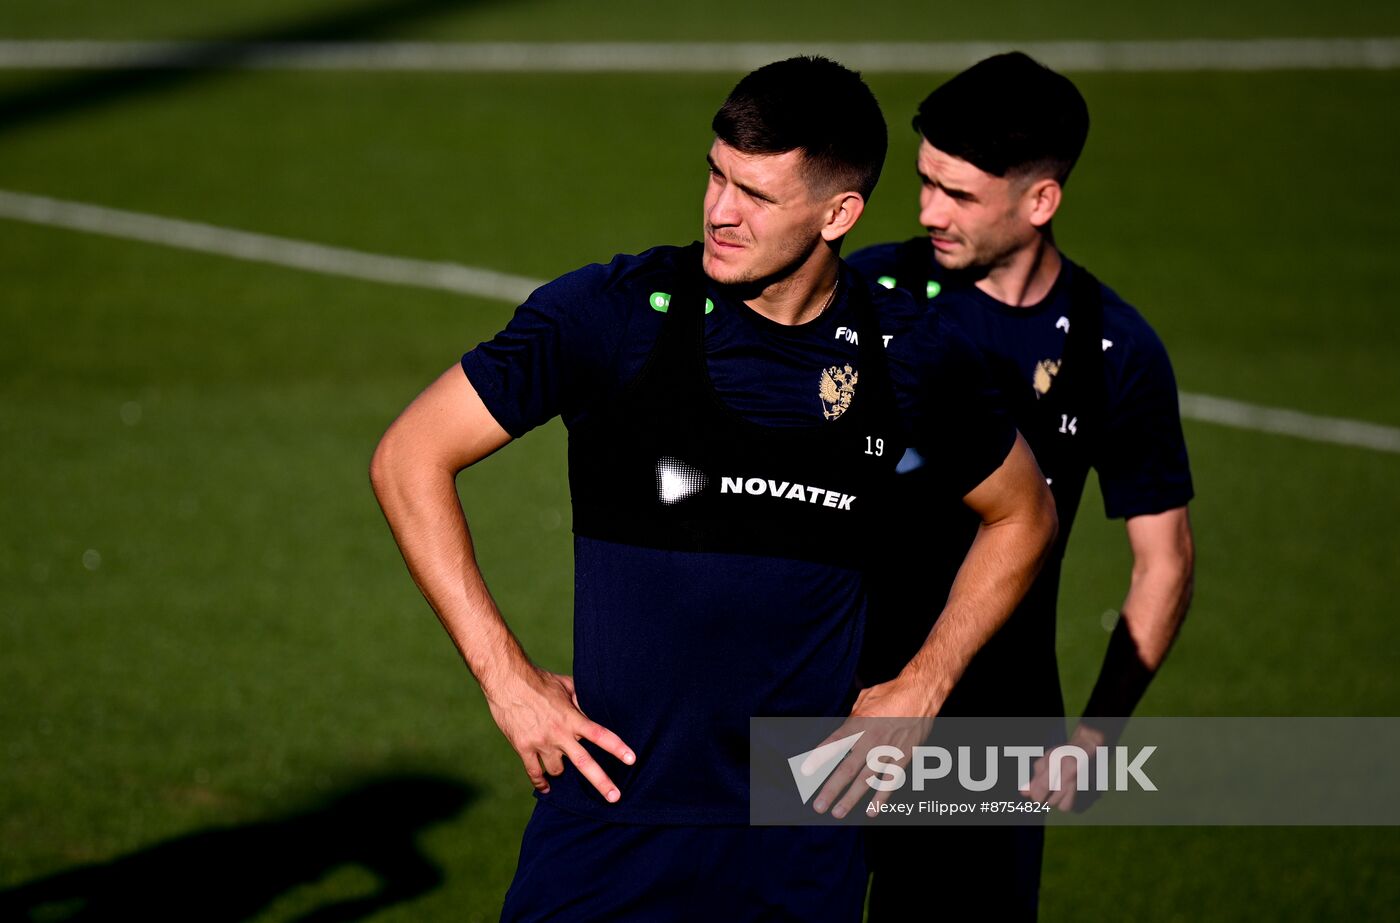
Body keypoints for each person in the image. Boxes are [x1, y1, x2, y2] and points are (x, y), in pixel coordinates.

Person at [370, 56, 1057, 921]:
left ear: (838, 213)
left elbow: (1024, 513)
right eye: (716, 175)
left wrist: (924, 682)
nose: (720, 212)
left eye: (758, 196)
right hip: (613, 822)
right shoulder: (615, 315)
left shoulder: (907, 353)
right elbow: (409, 457)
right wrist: (506, 680)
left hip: (802, 840)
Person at [849, 52, 1196, 919]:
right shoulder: (865, 295)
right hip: (830, 692)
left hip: (989, 725)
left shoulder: (1115, 350)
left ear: (1040, 201)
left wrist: (1097, 732)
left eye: (958, 195)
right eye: (925, 182)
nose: (928, 211)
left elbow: (1164, 559)